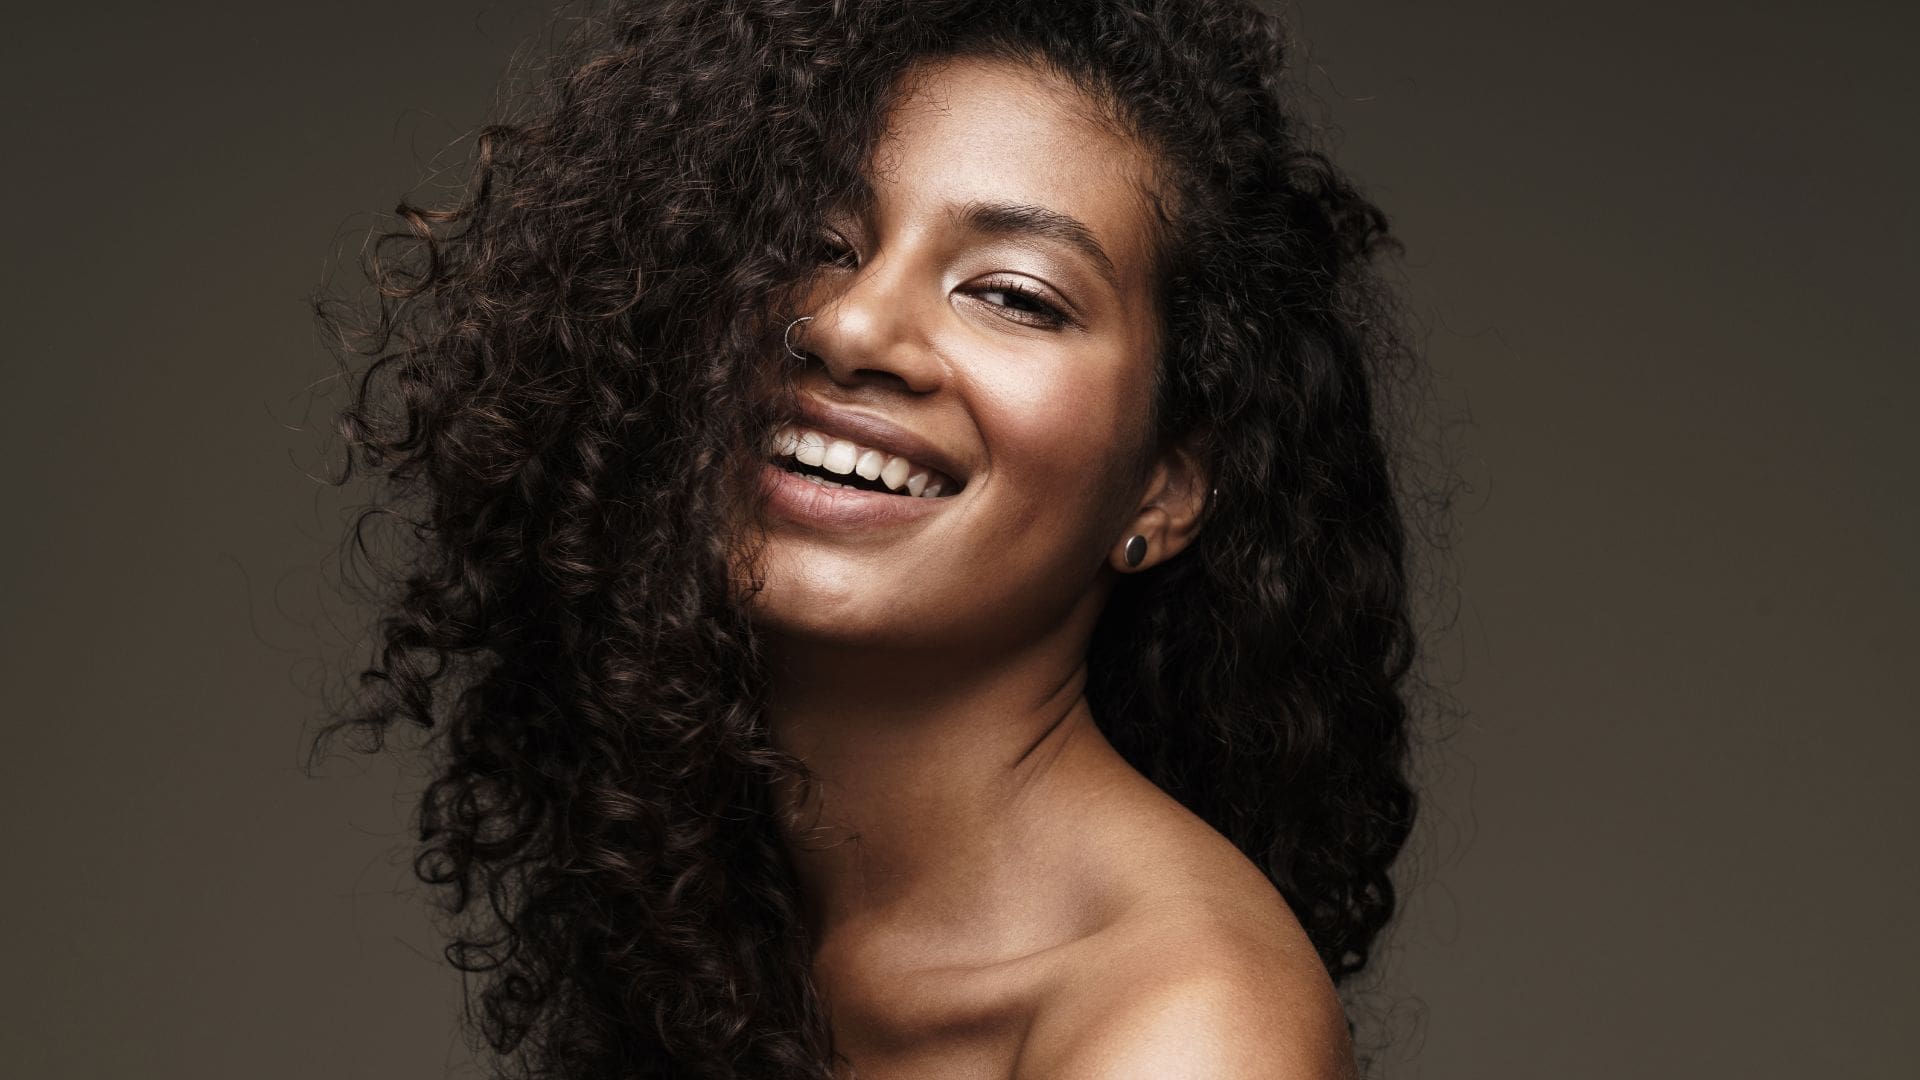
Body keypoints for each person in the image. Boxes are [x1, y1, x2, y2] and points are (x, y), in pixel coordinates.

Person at [314, 1, 1439, 1077]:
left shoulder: (1188, 1031)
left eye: (1013, 294)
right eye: (811, 240)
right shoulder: (743, 931)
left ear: (1165, 487)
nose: (851, 326)